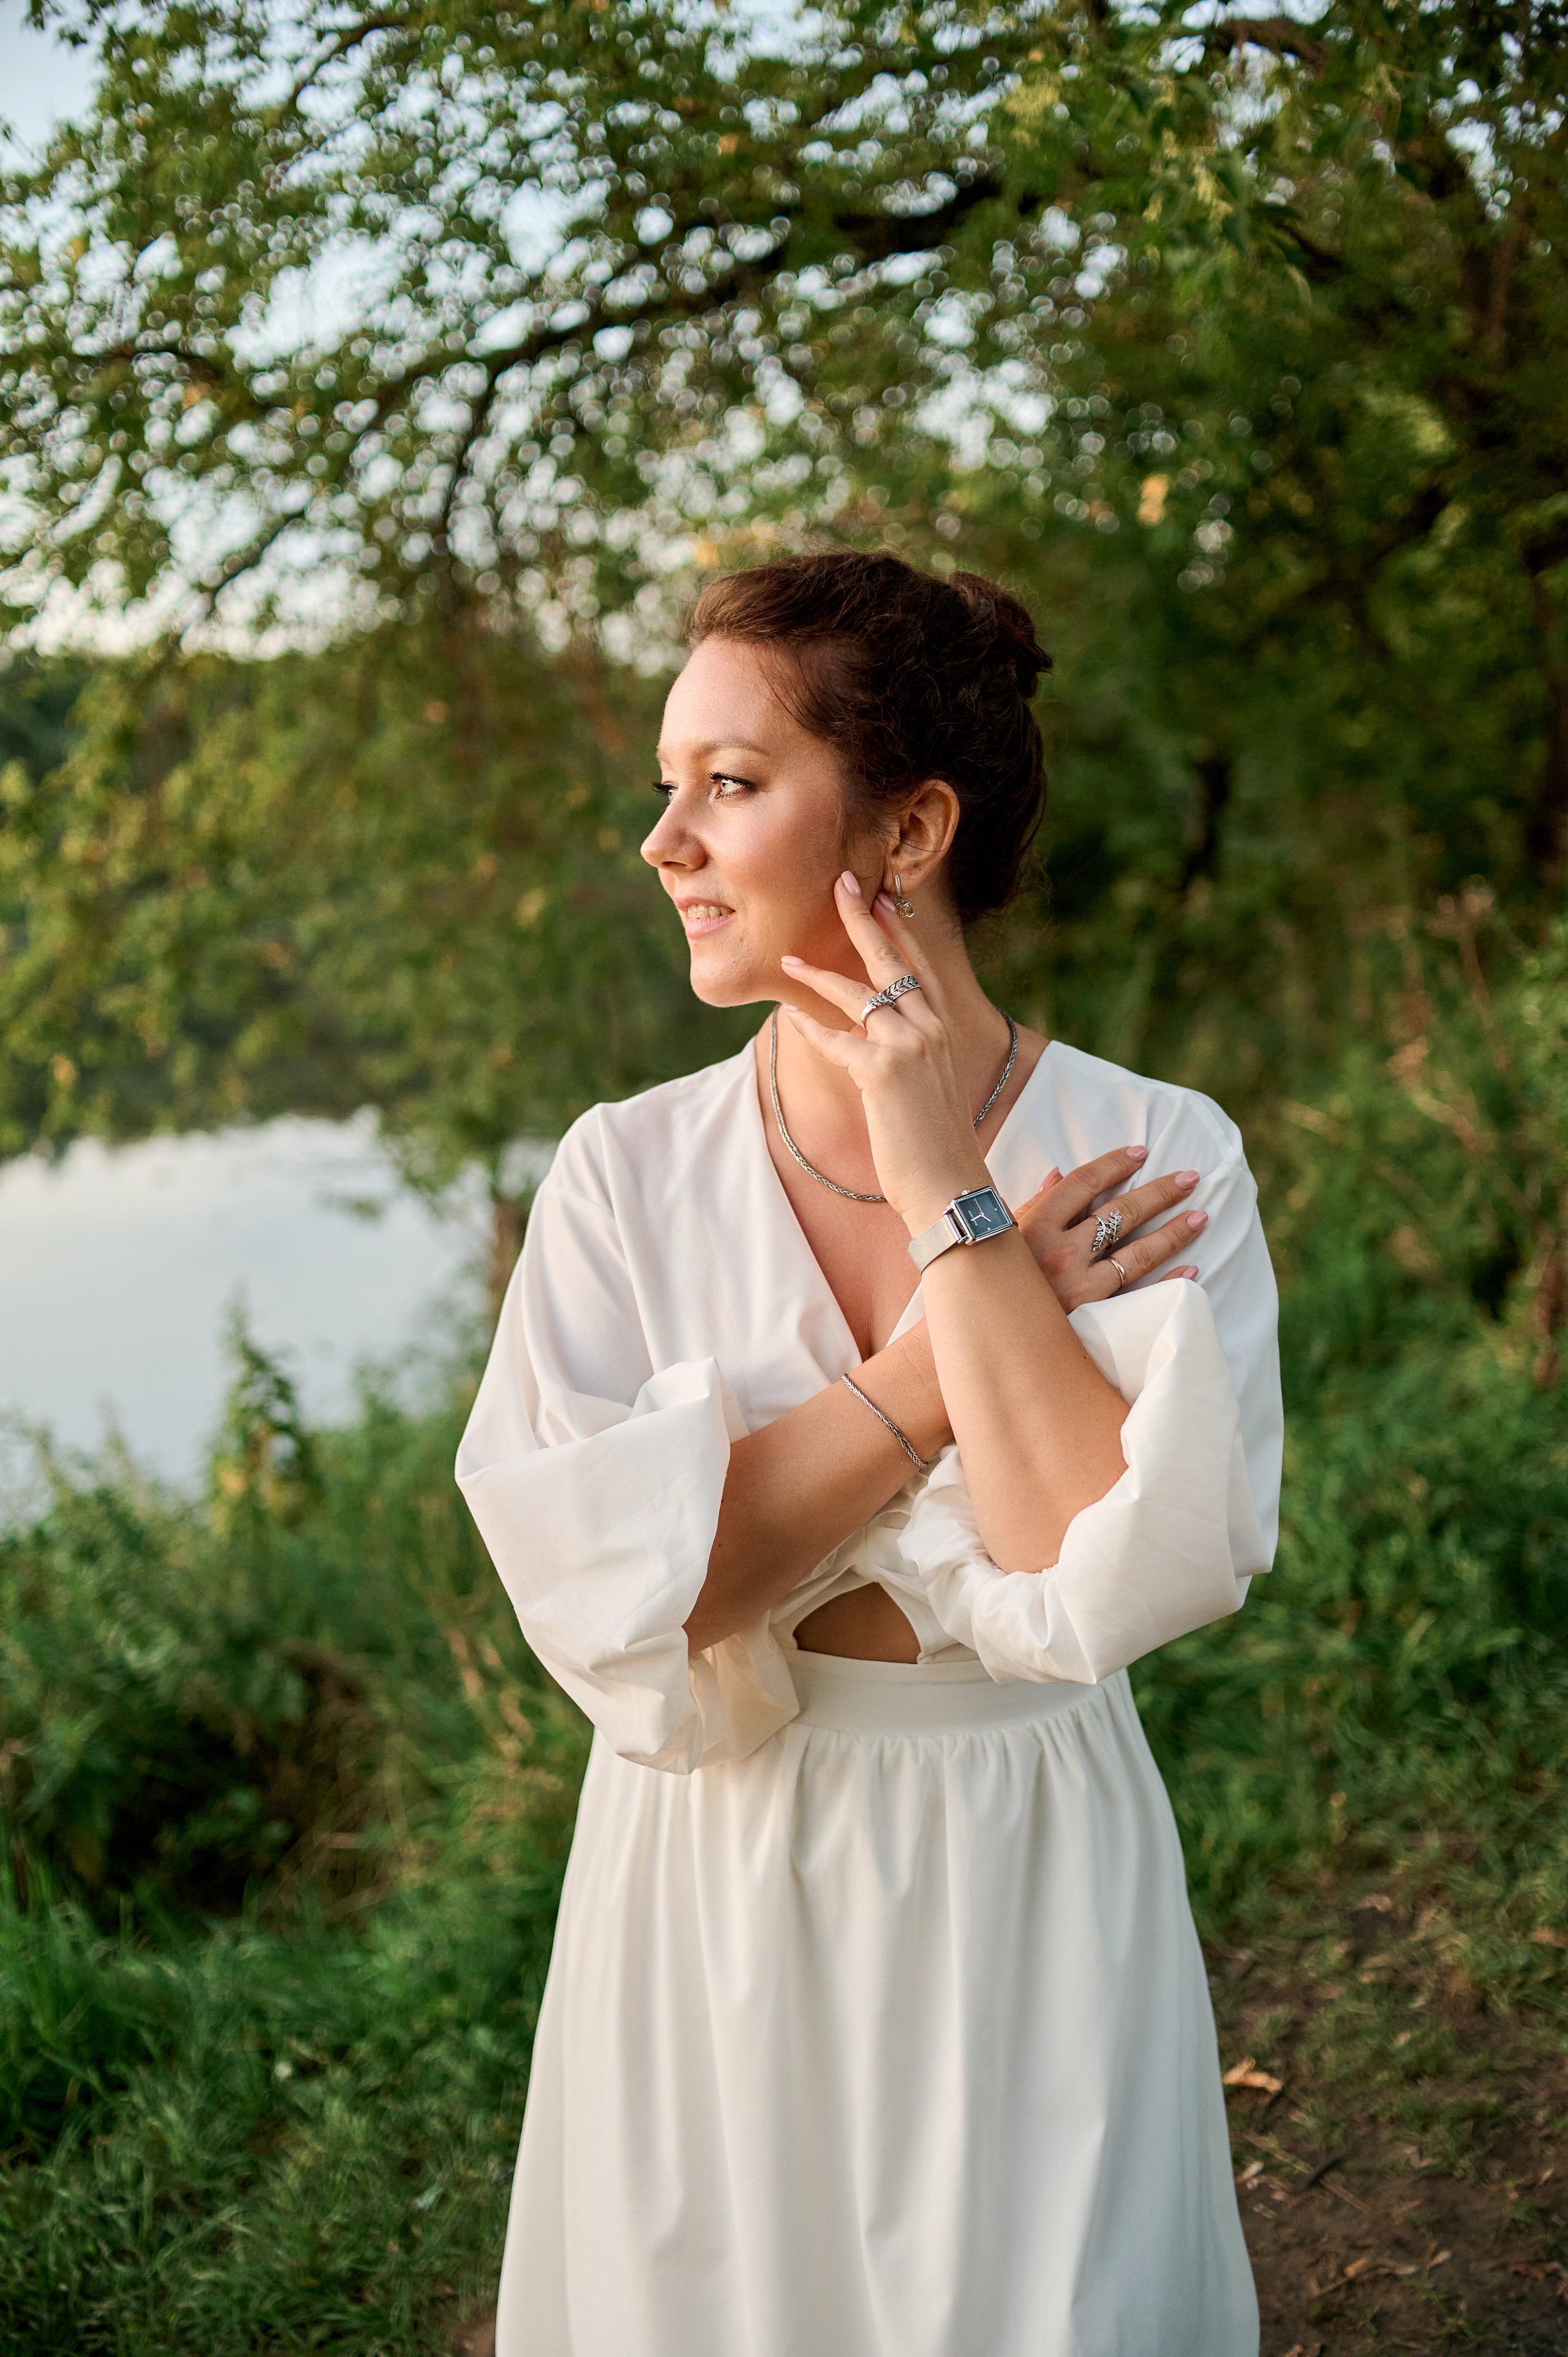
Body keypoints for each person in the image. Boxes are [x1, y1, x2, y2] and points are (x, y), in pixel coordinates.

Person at [457, 550, 1281, 2356]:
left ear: (907, 837)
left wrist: (944, 1186)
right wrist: (938, 1362)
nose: (662, 840)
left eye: (729, 787)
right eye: (670, 785)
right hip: (716, 1879)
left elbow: (1106, 1577)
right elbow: (661, 1599)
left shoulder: (1157, 1154)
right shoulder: (623, 1177)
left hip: (1028, 1865)